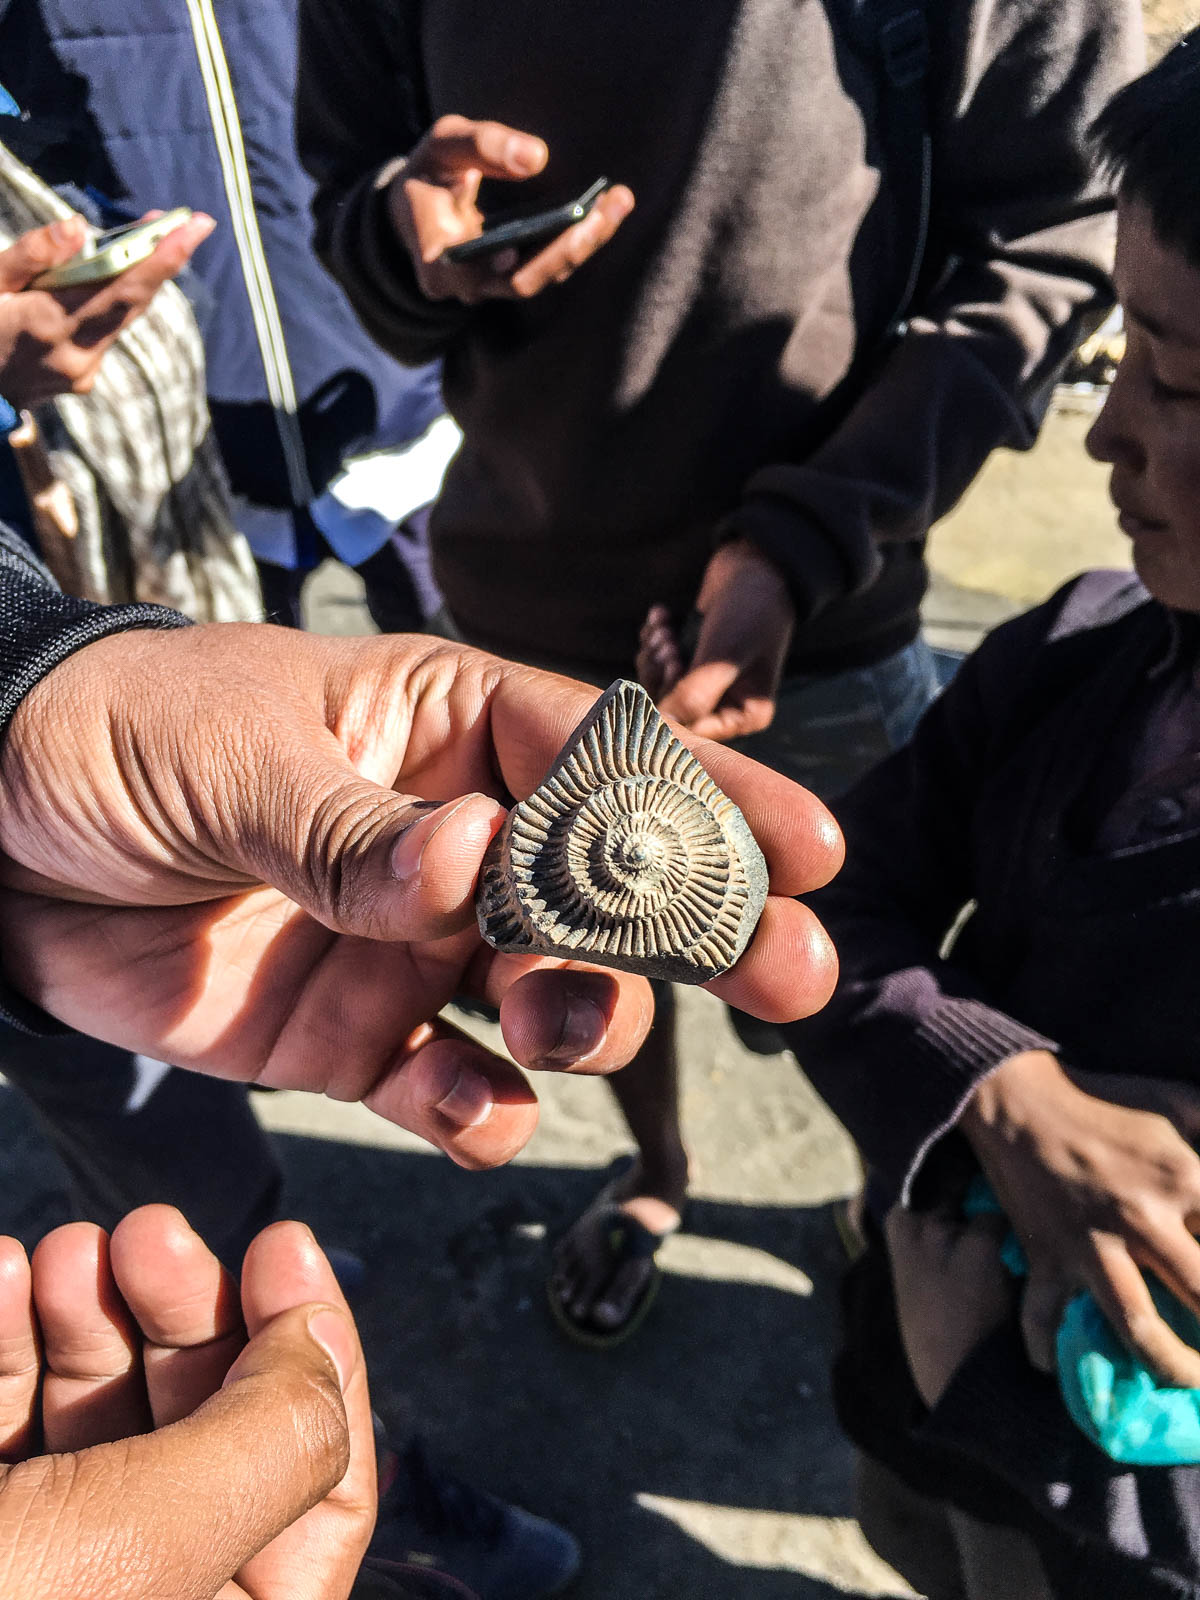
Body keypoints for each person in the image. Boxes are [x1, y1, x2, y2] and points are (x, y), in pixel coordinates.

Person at [296, 0, 1142, 1341]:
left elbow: (1056, 228)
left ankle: (894, 1186)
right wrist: (411, 244)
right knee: (589, 961)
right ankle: (663, 1168)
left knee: (855, 955)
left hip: (830, 607)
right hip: (528, 596)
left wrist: (800, 543)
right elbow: (348, 200)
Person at [783, 31, 1200, 1597]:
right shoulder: (1081, 647)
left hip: (1074, 1505)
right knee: (921, 1542)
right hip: (916, 1354)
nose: (1104, 434)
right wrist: (999, 1094)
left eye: (1180, 378)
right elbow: (828, 907)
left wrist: (990, 1395)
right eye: (1118, 358)